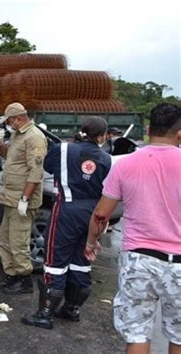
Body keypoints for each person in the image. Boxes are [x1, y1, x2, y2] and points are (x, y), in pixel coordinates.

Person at [85, 103, 181, 354]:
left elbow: (102, 213)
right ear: (180, 133)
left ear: (148, 129)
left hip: (139, 261)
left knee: (137, 333)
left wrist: (91, 242)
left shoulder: (126, 164)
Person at [22, 116, 111, 330]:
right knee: (81, 261)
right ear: (101, 137)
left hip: (67, 210)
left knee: (55, 262)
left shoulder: (63, 149)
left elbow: (49, 166)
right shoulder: (106, 158)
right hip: (93, 213)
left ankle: (45, 313)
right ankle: (72, 309)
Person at [0, 103, 47, 294]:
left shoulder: (35, 138)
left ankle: (25, 281)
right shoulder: (18, 134)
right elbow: (11, 158)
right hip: (10, 196)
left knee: (18, 241)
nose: (8, 124)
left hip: (21, 199)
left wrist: (25, 199)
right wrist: (0, 145)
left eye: (9, 120)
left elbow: (36, 172)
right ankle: (11, 276)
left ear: (19, 118)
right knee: (5, 239)